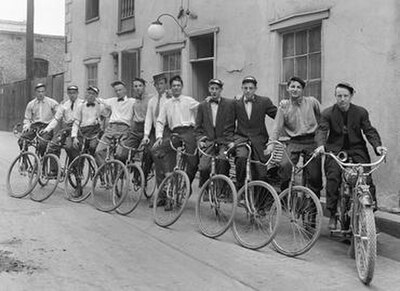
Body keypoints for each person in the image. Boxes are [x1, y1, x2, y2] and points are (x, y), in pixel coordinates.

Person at [314, 82, 387, 229]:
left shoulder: (361, 112)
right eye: (339, 96)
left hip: (356, 148)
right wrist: (321, 145)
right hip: (335, 150)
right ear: (335, 96)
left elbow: (369, 131)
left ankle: (370, 215)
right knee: (333, 177)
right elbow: (322, 130)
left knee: (365, 178)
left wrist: (377, 146)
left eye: (345, 96)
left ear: (351, 96)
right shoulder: (327, 113)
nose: (342, 99)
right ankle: (333, 213)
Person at [266, 76, 322, 198]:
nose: (295, 89)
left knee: (314, 175)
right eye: (292, 87)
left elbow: (323, 119)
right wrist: (271, 144)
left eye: (298, 87)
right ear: (288, 88)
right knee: (284, 165)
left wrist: (322, 139)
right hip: (294, 142)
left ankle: (312, 208)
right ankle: (287, 196)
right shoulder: (284, 107)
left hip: (312, 141)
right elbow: (277, 127)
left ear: (302, 90)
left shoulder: (312, 102)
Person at [232, 76, 277, 190]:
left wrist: (285, 107)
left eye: (251, 88)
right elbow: (228, 122)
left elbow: (277, 116)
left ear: (255, 89)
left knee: (261, 173)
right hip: (241, 139)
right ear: (242, 88)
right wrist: (231, 140)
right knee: (241, 159)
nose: (248, 90)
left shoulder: (264, 101)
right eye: (245, 88)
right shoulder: (235, 103)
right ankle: (240, 190)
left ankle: (259, 204)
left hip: (259, 139)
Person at [154, 75, 199, 186]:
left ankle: (186, 185)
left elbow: (202, 107)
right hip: (175, 133)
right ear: (170, 87)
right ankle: (168, 175)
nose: (176, 88)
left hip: (189, 132)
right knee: (156, 150)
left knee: (193, 162)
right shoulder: (166, 104)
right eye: (174, 86)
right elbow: (160, 121)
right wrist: (159, 137)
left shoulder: (189, 100)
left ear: (182, 87)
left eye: (178, 85)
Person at [195, 78, 235, 187]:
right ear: (209, 89)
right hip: (208, 141)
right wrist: (200, 140)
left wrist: (232, 140)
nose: (214, 91)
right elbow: (197, 127)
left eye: (216, 89)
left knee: (223, 161)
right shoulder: (202, 105)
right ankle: (205, 189)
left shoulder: (229, 104)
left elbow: (241, 105)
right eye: (212, 88)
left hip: (223, 141)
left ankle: (222, 190)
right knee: (204, 167)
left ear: (221, 90)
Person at [141, 73, 172, 191]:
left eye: (161, 83)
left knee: (165, 159)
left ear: (165, 84)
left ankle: (170, 189)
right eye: (157, 84)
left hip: (168, 131)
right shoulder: (152, 101)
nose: (159, 86)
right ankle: (161, 192)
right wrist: (146, 135)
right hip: (155, 131)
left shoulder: (170, 97)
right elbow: (148, 119)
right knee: (153, 156)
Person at [95, 81, 135, 166]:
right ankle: (106, 173)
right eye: (116, 91)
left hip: (124, 129)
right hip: (111, 128)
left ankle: (120, 173)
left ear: (125, 90)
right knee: (98, 151)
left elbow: (144, 99)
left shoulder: (132, 101)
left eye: (120, 90)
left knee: (120, 154)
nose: (118, 92)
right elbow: (100, 100)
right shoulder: (112, 101)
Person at [41, 85, 83, 166]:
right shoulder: (64, 105)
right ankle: (55, 171)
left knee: (70, 146)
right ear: (67, 93)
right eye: (70, 93)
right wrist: (47, 129)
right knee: (53, 145)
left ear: (77, 93)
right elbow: (56, 119)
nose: (72, 95)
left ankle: (75, 168)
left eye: (74, 93)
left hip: (79, 129)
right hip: (67, 128)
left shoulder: (82, 104)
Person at [117, 78, 151, 168]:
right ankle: (124, 176)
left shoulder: (151, 99)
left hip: (148, 130)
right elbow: (130, 117)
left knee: (146, 156)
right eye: (135, 86)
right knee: (123, 154)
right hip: (136, 130)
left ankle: (141, 177)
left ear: (144, 87)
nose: (138, 88)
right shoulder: (133, 101)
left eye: (140, 86)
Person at [18, 83, 58, 157]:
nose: (41, 94)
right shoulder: (31, 104)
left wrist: (52, 124)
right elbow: (27, 118)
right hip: (34, 126)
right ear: (35, 92)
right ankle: (24, 162)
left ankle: (41, 161)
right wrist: (26, 126)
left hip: (46, 127)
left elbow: (59, 113)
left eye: (42, 91)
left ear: (45, 92)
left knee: (42, 144)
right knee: (22, 141)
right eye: (39, 92)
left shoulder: (51, 102)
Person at [71, 86, 104, 159]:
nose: (90, 95)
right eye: (89, 93)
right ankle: (77, 168)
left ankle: (95, 167)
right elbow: (76, 122)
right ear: (86, 94)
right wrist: (74, 136)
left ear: (96, 96)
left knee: (93, 147)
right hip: (83, 131)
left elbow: (107, 115)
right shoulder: (81, 106)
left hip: (95, 131)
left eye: (93, 94)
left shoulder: (100, 106)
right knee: (77, 148)